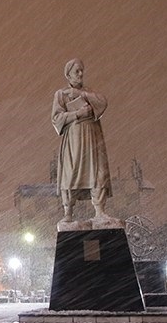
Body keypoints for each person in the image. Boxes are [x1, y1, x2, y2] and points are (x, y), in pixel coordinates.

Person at [51, 59, 114, 225]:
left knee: (97, 172)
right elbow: (56, 119)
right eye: (77, 71)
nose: (80, 74)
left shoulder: (89, 92)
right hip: (73, 140)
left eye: (81, 71)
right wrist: (78, 113)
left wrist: (84, 95)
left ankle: (100, 211)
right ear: (68, 74)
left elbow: (102, 103)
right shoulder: (61, 94)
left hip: (92, 138)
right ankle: (68, 213)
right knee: (70, 174)